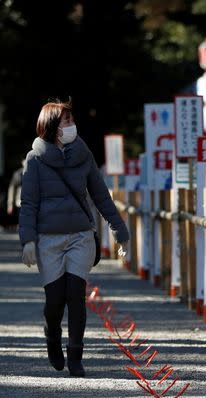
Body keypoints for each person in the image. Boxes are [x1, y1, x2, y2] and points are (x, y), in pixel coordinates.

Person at [18, 99, 129, 377]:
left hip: (80, 235)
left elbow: (101, 195)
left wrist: (119, 229)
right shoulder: (35, 159)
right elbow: (28, 203)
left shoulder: (83, 153)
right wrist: (28, 241)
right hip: (48, 240)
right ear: (52, 127)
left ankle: (76, 355)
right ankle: (52, 337)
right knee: (55, 301)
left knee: (76, 296)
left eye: (71, 120)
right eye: (66, 122)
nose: (71, 126)